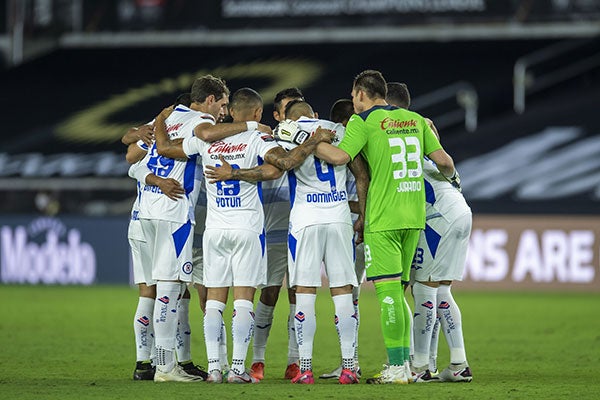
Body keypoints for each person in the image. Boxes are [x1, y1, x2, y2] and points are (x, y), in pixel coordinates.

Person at [154, 87, 334, 383]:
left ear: (229, 112)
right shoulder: (257, 138)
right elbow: (284, 165)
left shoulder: (205, 141)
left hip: (214, 231)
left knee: (213, 302)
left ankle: (214, 369)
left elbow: (163, 148)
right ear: (257, 114)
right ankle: (238, 369)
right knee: (243, 302)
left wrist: (161, 119)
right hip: (247, 230)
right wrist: (312, 141)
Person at [205, 99, 368, 385]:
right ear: (314, 114)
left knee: (304, 292)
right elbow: (362, 174)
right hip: (339, 216)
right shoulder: (339, 131)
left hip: (304, 219)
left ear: (290, 118)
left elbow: (285, 164)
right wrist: (364, 215)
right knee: (342, 292)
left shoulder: (283, 133)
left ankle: (304, 367)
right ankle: (349, 366)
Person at [311, 70, 458, 384]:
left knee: (388, 295)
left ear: (363, 94)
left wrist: (307, 143)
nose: (353, 102)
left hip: (383, 219)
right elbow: (444, 162)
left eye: (353, 96)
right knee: (399, 293)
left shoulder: (362, 122)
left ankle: (396, 368)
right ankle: (402, 365)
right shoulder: (416, 120)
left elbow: (339, 157)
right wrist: (453, 180)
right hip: (414, 216)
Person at [386, 81, 473, 383]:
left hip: (438, 216)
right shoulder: (422, 131)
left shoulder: (396, 135)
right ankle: (459, 364)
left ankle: (421, 366)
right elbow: (446, 164)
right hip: (460, 209)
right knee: (442, 290)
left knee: (424, 290)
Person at [124, 92, 207, 381]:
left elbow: (131, 158)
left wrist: (146, 129)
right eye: (222, 105)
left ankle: (143, 364)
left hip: (141, 218)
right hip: (170, 218)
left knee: (149, 293)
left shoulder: (159, 126)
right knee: (170, 290)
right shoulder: (196, 127)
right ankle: (165, 366)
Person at [249, 87, 305, 381]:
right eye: (287, 109)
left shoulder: (308, 141)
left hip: (300, 229)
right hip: (271, 228)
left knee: (299, 296)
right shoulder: (263, 141)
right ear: (276, 115)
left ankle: (294, 362)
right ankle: (258, 360)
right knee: (269, 294)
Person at [319, 98, 365, 380]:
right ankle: (410, 360)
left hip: (350, 227)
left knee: (347, 295)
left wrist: (359, 212)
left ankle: (352, 360)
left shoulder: (338, 140)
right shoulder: (358, 138)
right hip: (357, 223)